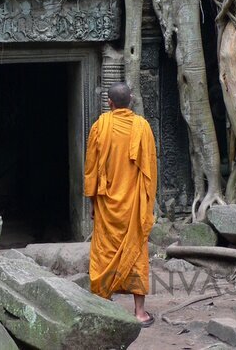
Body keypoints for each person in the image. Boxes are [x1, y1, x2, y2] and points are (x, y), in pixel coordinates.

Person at [84, 82, 157, 327]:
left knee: (104, 253)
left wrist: (93, 203)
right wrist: (148, 203)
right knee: (136, 252)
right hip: (135, 204)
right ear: (131, 100)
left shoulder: (99, 127)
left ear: (110, 103)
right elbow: (150, 169)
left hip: (106, 204)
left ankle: (104, 307)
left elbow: (91, 169)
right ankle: (139, 313)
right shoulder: (143, 128)